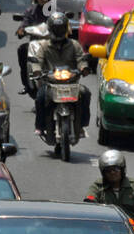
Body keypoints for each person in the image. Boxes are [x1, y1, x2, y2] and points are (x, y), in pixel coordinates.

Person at [28, 11, 89, 143]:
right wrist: (37, 71)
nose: (59, 31)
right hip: (50, 83)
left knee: (85, 93)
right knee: (40, 97)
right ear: (50, 29)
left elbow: (81, 59)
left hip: (71, 83)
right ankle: (40, 126)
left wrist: (83, 68)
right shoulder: (44, 46)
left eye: (61, 28)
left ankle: (83, 125)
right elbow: (37, 61)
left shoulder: (74, 45)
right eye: (56, 29)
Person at [84, 150, 134, 234]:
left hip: (133, 232)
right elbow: (89, 207)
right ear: (103, 173)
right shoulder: (97, 187)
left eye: (115, 169)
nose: (112, 173)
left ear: (122, 169)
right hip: (106, 231)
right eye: (108, 170)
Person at [16, 0, 56, 94]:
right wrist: (21, 30)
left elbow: (64, 21)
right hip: (35, 44)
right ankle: (26, 84)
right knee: (22, 50)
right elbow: (24, 23)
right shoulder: (31, 11)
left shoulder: (57, 11)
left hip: (53, 44)